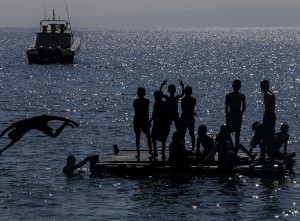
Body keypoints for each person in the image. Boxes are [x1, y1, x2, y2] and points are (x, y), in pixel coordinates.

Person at [0, 114, 79, 154]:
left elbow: (4, 132)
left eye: (14, 133)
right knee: (54, 135)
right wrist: (2, 150)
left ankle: (69, 122)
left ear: (13, 131)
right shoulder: (20, 134)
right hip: (40, 126)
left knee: (57, 118)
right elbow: (11, 143)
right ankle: (65, 124)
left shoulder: (17, 124)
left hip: (40, 119)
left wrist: (74, 122)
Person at [225, 79, 246, 146]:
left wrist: (240, 114)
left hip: (237, 114)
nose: (236, 88)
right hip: (231, 114)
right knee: (228, 131)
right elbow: (226, 107)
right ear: (233, 86)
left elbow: (244, 107)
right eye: (235, 86)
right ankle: (231, 145)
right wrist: (227, 115)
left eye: (237, 86)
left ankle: (236, 148)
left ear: (239, 87)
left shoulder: (242, 96)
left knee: (237, 133)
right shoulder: (228, 95)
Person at [133, 87, 152, 158]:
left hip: (139, 119)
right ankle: (148, 150)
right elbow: (146, 112)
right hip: (141, 119)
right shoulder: (146, 101)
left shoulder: (136, 101)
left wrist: (148, 122)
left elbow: (139, 111)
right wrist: (148, 121)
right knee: (146, 136)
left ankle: (140, 152)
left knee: (141, 136)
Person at [150, 90, 170, 159]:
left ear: (161, 97)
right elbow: (153, 113)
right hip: (156, 123)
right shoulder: (156, 103)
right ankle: (155, 151)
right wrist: (150, 121)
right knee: (153, 136)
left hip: (163, 123)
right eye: (155, 96)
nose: (155, 98)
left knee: (163, 138)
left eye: (156, 96)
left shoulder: (165, 104)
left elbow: (167, 114)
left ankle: (163, 151)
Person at [179, 86, 196, 151]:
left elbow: (185, 109)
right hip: (187, 117)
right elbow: (188, 109)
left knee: (190, 134)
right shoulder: (191, 100)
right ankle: (185, 147)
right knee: (184, 134)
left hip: (187, 118)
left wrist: (188, 111)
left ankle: (192, 148)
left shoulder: (185, 100)